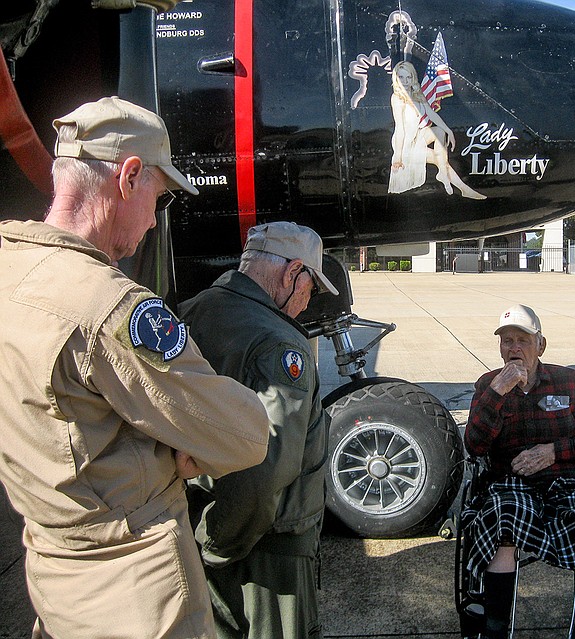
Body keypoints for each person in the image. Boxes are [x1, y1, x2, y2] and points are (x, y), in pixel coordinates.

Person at [0, 96, 272, 638]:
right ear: (128, 177)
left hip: (54, 578)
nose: (153, 219)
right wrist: (176, 448)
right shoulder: (107, 306)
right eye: (159, 196)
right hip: (135, 593)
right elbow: (245, 433)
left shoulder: (9, 269)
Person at [178, 221, 339, 639]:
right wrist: (219, 546)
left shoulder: (192, 311)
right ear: (292, 273)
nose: (307, 302)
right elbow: (266, 466)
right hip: (264, 548)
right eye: (311, 288)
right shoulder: (279, 343)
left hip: (197, 519)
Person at [462, 304, 575, 639]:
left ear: (540, 345)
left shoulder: (570, 382)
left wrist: (554, 452)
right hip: (511, 486)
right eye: (507, 341)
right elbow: (475, 446)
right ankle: (496, 630)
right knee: (501, 518)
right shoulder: (488, 385)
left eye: (523, 341)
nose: (514, 348)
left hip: (572, 483)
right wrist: (497, 394)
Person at [389, 61, 486, 199]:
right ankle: (459, 186)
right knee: (440, 159)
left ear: (413, 77)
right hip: (405, 144)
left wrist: (448, 130)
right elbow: (399, 128)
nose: (405, 81)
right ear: (396, 78)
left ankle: (444, 175)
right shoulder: (397, 98)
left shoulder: (417, 94)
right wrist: (398, 156)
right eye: (401, 77)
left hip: (417, 136)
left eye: (408, 77)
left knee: (439, 131)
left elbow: (431, 114)